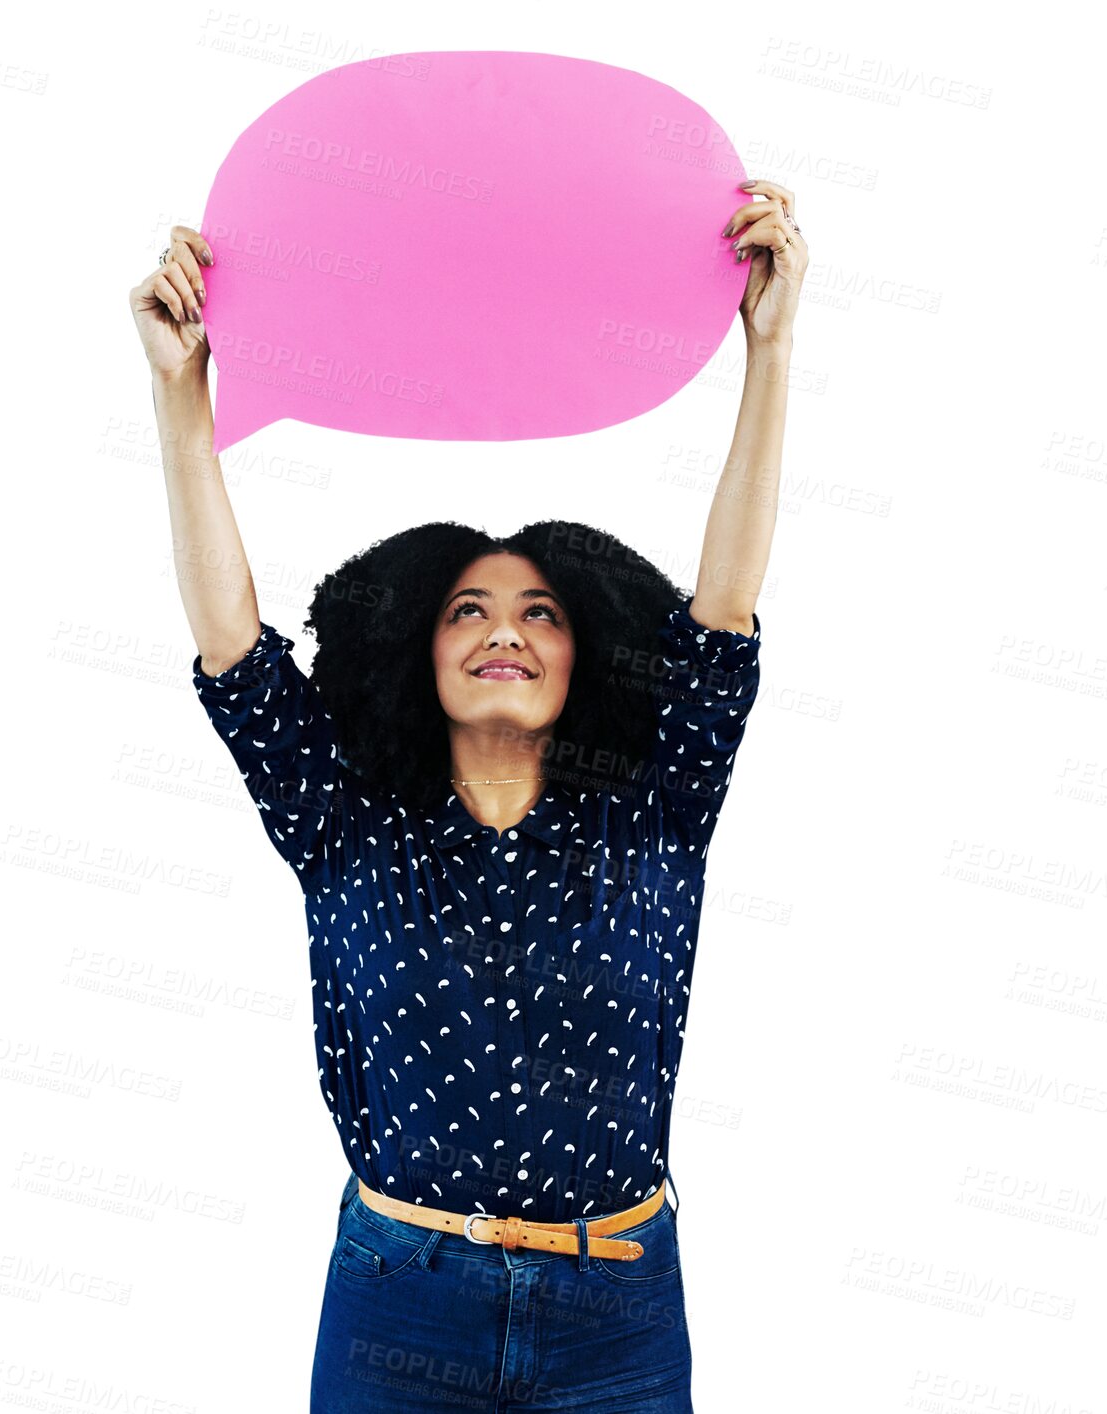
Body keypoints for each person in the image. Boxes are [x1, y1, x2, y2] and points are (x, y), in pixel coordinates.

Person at [128, 180, 807, 1412]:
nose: (507, 630)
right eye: (470, 610)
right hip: (399, 1300)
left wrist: (770, 349)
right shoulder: (343, 822)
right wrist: (183, 397)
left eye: (541, 611)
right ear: (413, 651)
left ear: (589, 650)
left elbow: (724, 608)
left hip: (619, 1319)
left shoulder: (652, 810)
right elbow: (234, 649)